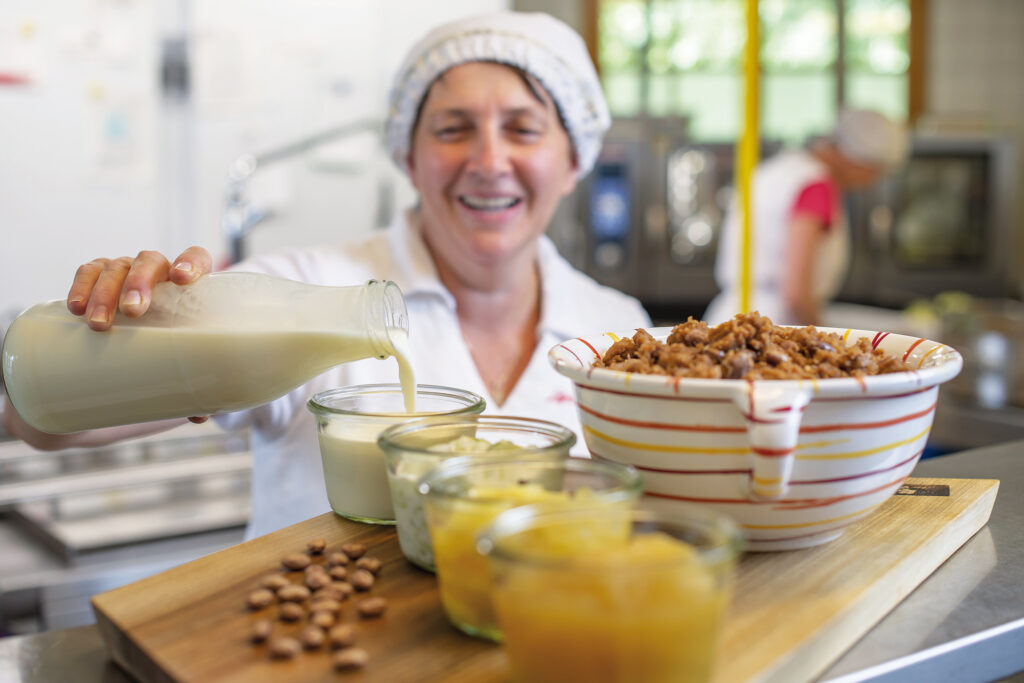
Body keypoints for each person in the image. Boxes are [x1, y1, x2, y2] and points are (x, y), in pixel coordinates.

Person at [1, 12, 651, 539]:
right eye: (453, 129)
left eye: (524, 129)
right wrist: (113, 326)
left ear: (574, 160)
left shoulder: (620, 331)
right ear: (409, 155)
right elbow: (46, 423)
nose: (488, 161)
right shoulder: (303, 287)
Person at [704, 108, 909, 327]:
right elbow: (795, 293)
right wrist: (823, 340)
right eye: (876, 170)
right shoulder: (816, 185)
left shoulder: (778, 170)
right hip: (772, 323)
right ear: (855, 157)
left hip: (734, 312)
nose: (873, 181)